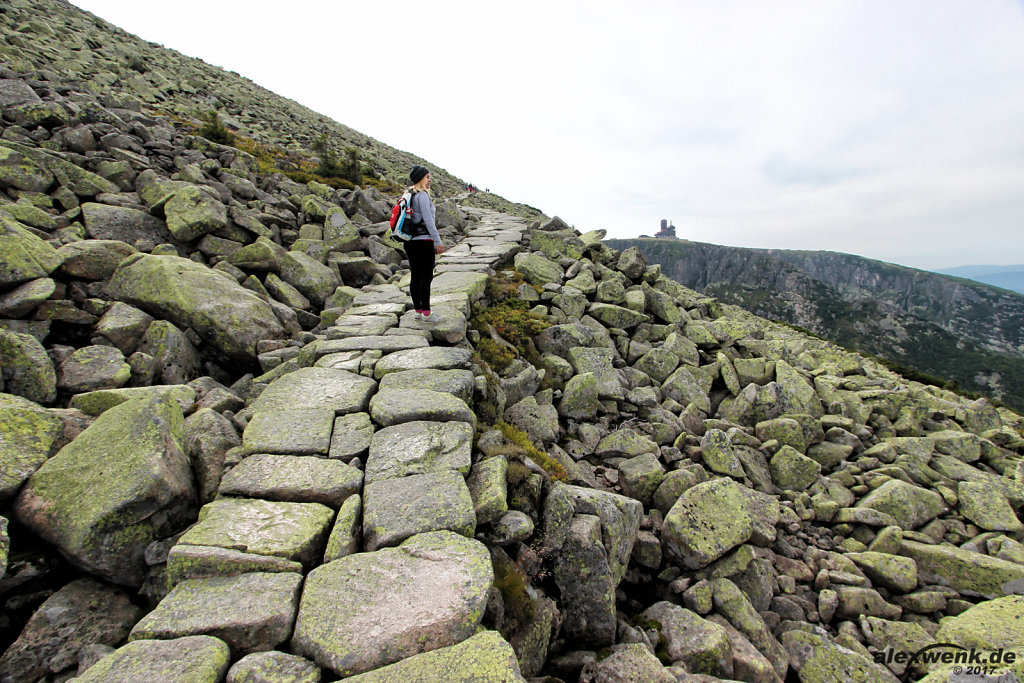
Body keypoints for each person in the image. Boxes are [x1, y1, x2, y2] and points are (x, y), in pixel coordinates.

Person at [404, 165, 445, 321]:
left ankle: (418, 311)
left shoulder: (410, 195)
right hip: (424, 242)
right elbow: (428, 220)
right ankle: (427, 314)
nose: (430, 180)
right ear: (421, 178)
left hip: (410, 242)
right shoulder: (423, 196)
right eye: (427, 177)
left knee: (415, 276)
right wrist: (438, 241)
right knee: (426, 277)